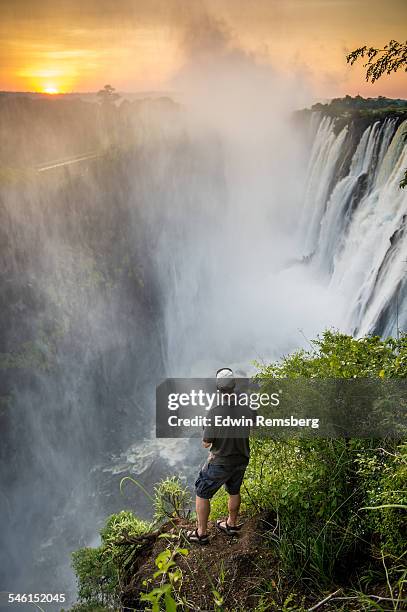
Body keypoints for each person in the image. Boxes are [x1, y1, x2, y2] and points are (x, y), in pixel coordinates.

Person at [186, 368, 251, 544]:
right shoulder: (246, 407)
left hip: (222, 460)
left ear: (218, 389)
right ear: (234, 385)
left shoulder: (214, 412)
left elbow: (206, 443)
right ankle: (231, 524)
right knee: (234, 490)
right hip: (242, 457)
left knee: (202, 491)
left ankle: (201, 533)